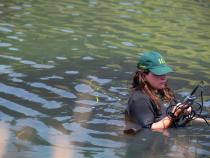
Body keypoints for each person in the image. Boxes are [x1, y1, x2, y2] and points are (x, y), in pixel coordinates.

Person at [125, 51, 191, 131]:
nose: (163, 77)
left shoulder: (164, 92)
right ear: (143, 75)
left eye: (164, 73)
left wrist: (185, 112)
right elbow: (149, 128)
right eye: (158, 74)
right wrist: (173, 116)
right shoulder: (139, 99)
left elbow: (176, 114)